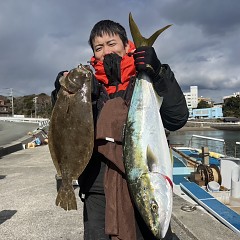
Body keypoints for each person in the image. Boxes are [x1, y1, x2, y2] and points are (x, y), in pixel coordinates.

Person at [51, 20, 189, 240]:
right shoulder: (87, 88)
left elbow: (177, 118)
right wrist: (62, 94)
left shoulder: (148, 80)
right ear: (93, 54)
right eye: (98, 47)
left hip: (140, 185)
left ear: (127, 46)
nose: (106, 51)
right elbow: (66, 129)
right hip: (97, 190)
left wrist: (159, 73)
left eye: (111, 43)